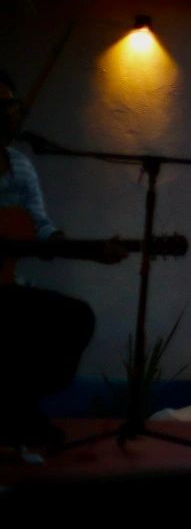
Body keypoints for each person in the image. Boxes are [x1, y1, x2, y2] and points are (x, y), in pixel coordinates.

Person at [0, 68, 100, 449]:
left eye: (11, 105)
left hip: (8, 288)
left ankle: (20, 408)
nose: (7, 113)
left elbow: (40, 227)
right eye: (0, 106)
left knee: (74, 318)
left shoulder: (21, 165)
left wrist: (67, 244)